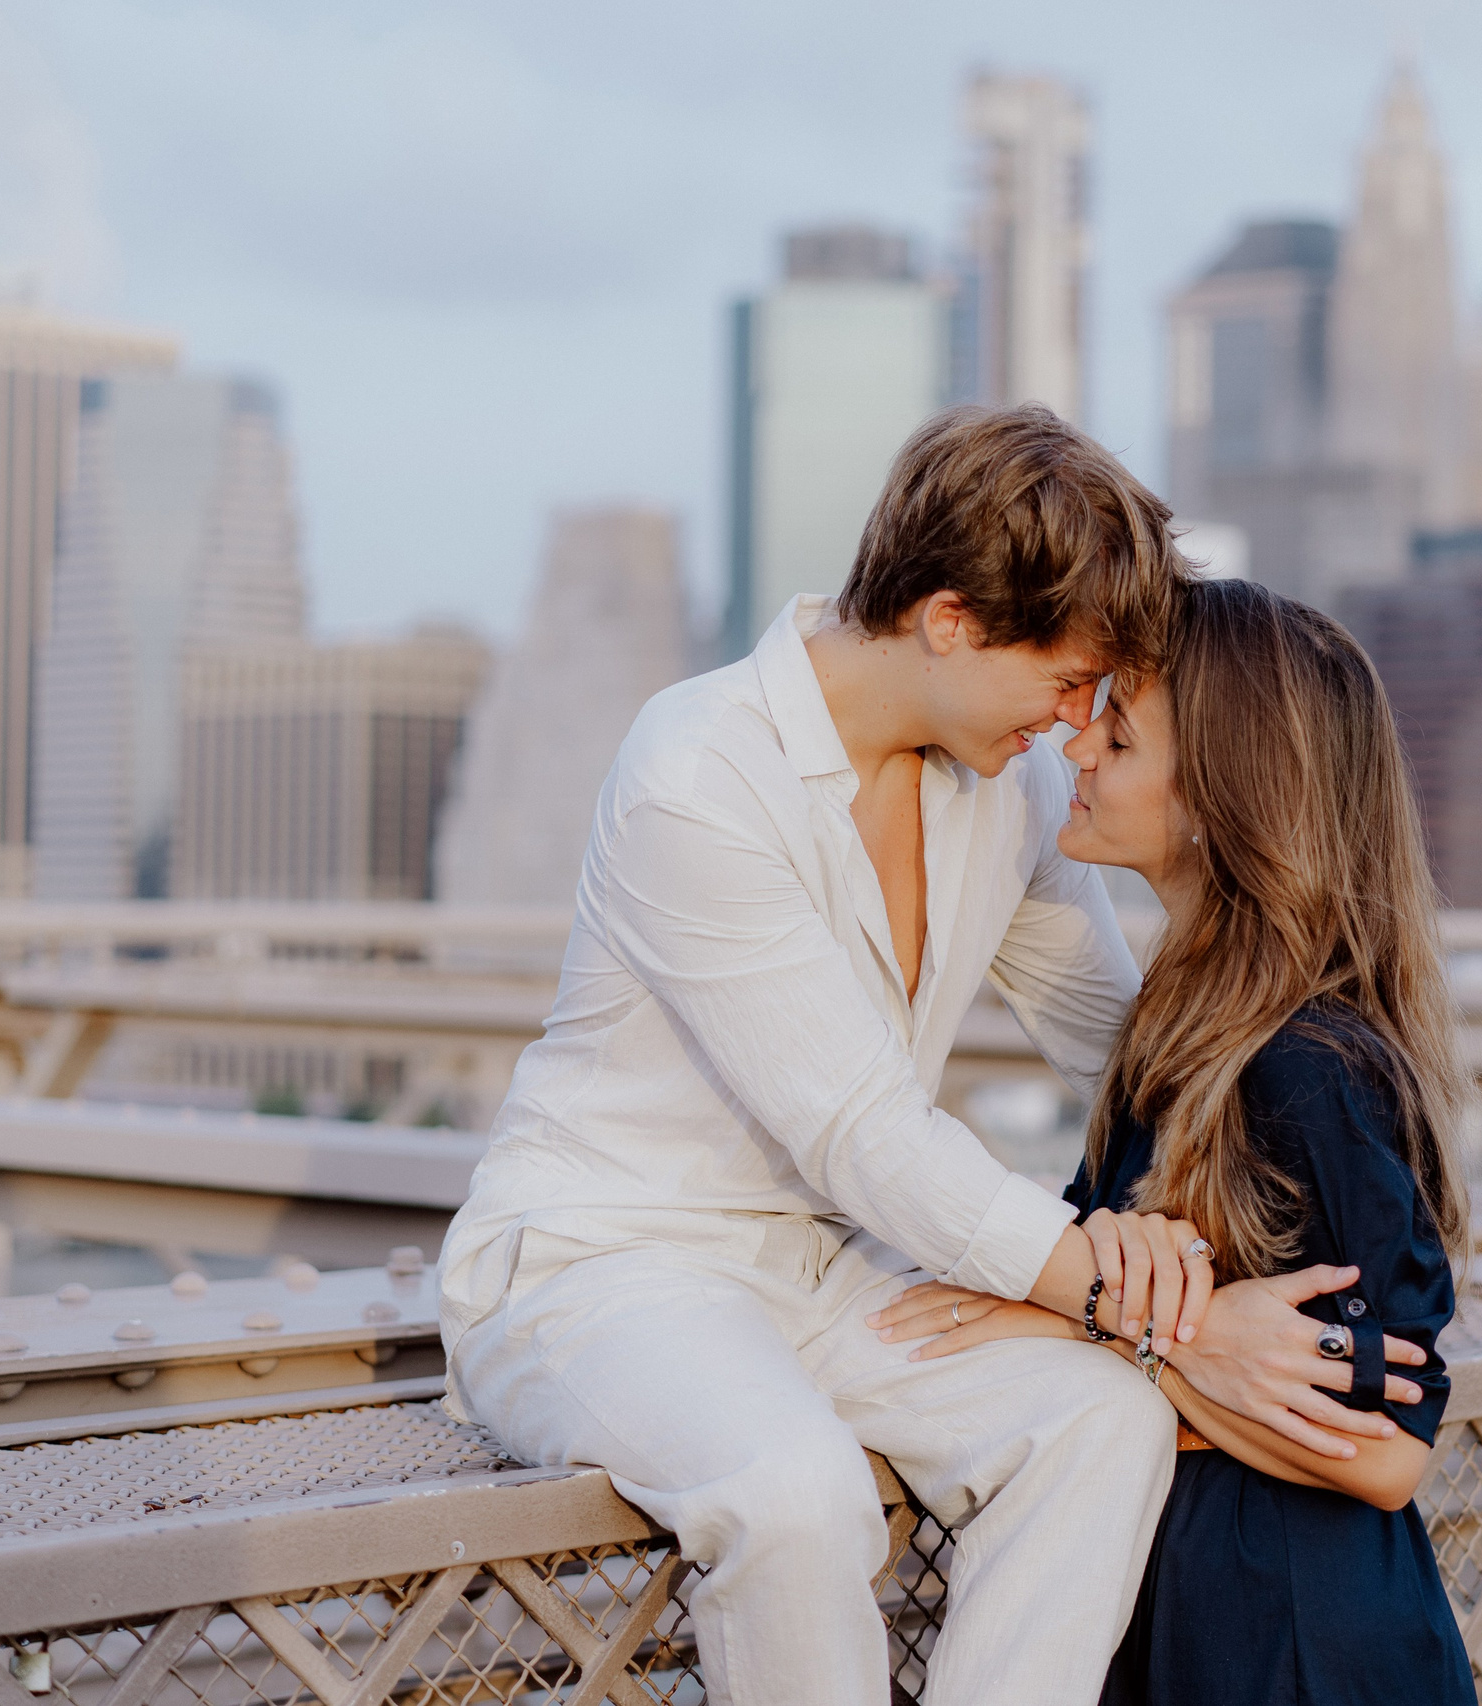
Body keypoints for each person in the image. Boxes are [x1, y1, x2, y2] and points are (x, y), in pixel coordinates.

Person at [438, 406, 1420, 1706]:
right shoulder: (697, 771)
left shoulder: (999, 785)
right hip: (610, 1263)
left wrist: (1215, 1274)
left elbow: (1125, 1049)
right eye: (1068, 681)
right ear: (950, 622)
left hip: (828, 1270)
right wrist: (1161, 1315)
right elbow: (864, 1132)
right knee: (796, 1495)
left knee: (1100, 1420)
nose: (1078, 726)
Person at [872, 576, 1481, 1706]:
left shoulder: (1307, 1065)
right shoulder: (1179, 1025)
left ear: (1217, 794)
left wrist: (1128, 1336)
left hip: (1296, 1641)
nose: (1079, 750)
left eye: (1120, 731)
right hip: (1186, 1605)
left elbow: (1393, 1453)